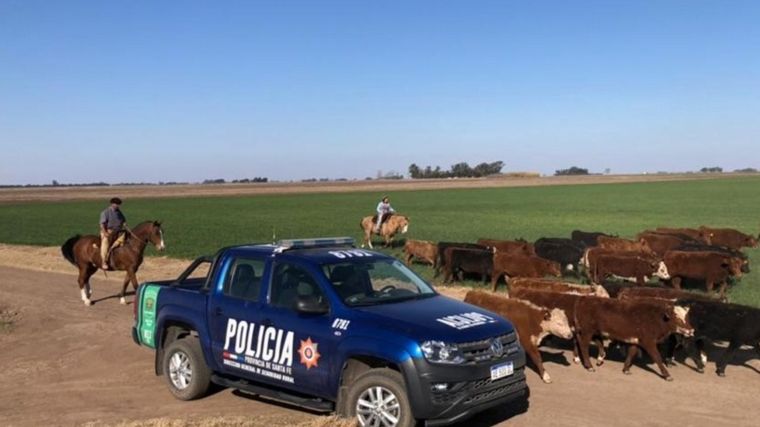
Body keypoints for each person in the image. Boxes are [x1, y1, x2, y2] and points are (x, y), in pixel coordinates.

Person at [99, 197, 127, 270]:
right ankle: (104, 261)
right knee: (105, 243)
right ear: (112, 204)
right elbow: (102, 224)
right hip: (108, 231)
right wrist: (105, 232)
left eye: (118, 204)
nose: (117, 206)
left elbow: (123, 220)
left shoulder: (119, 212)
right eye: (116, 204)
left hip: (118, 231)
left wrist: (124, 224)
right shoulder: (105, 212)